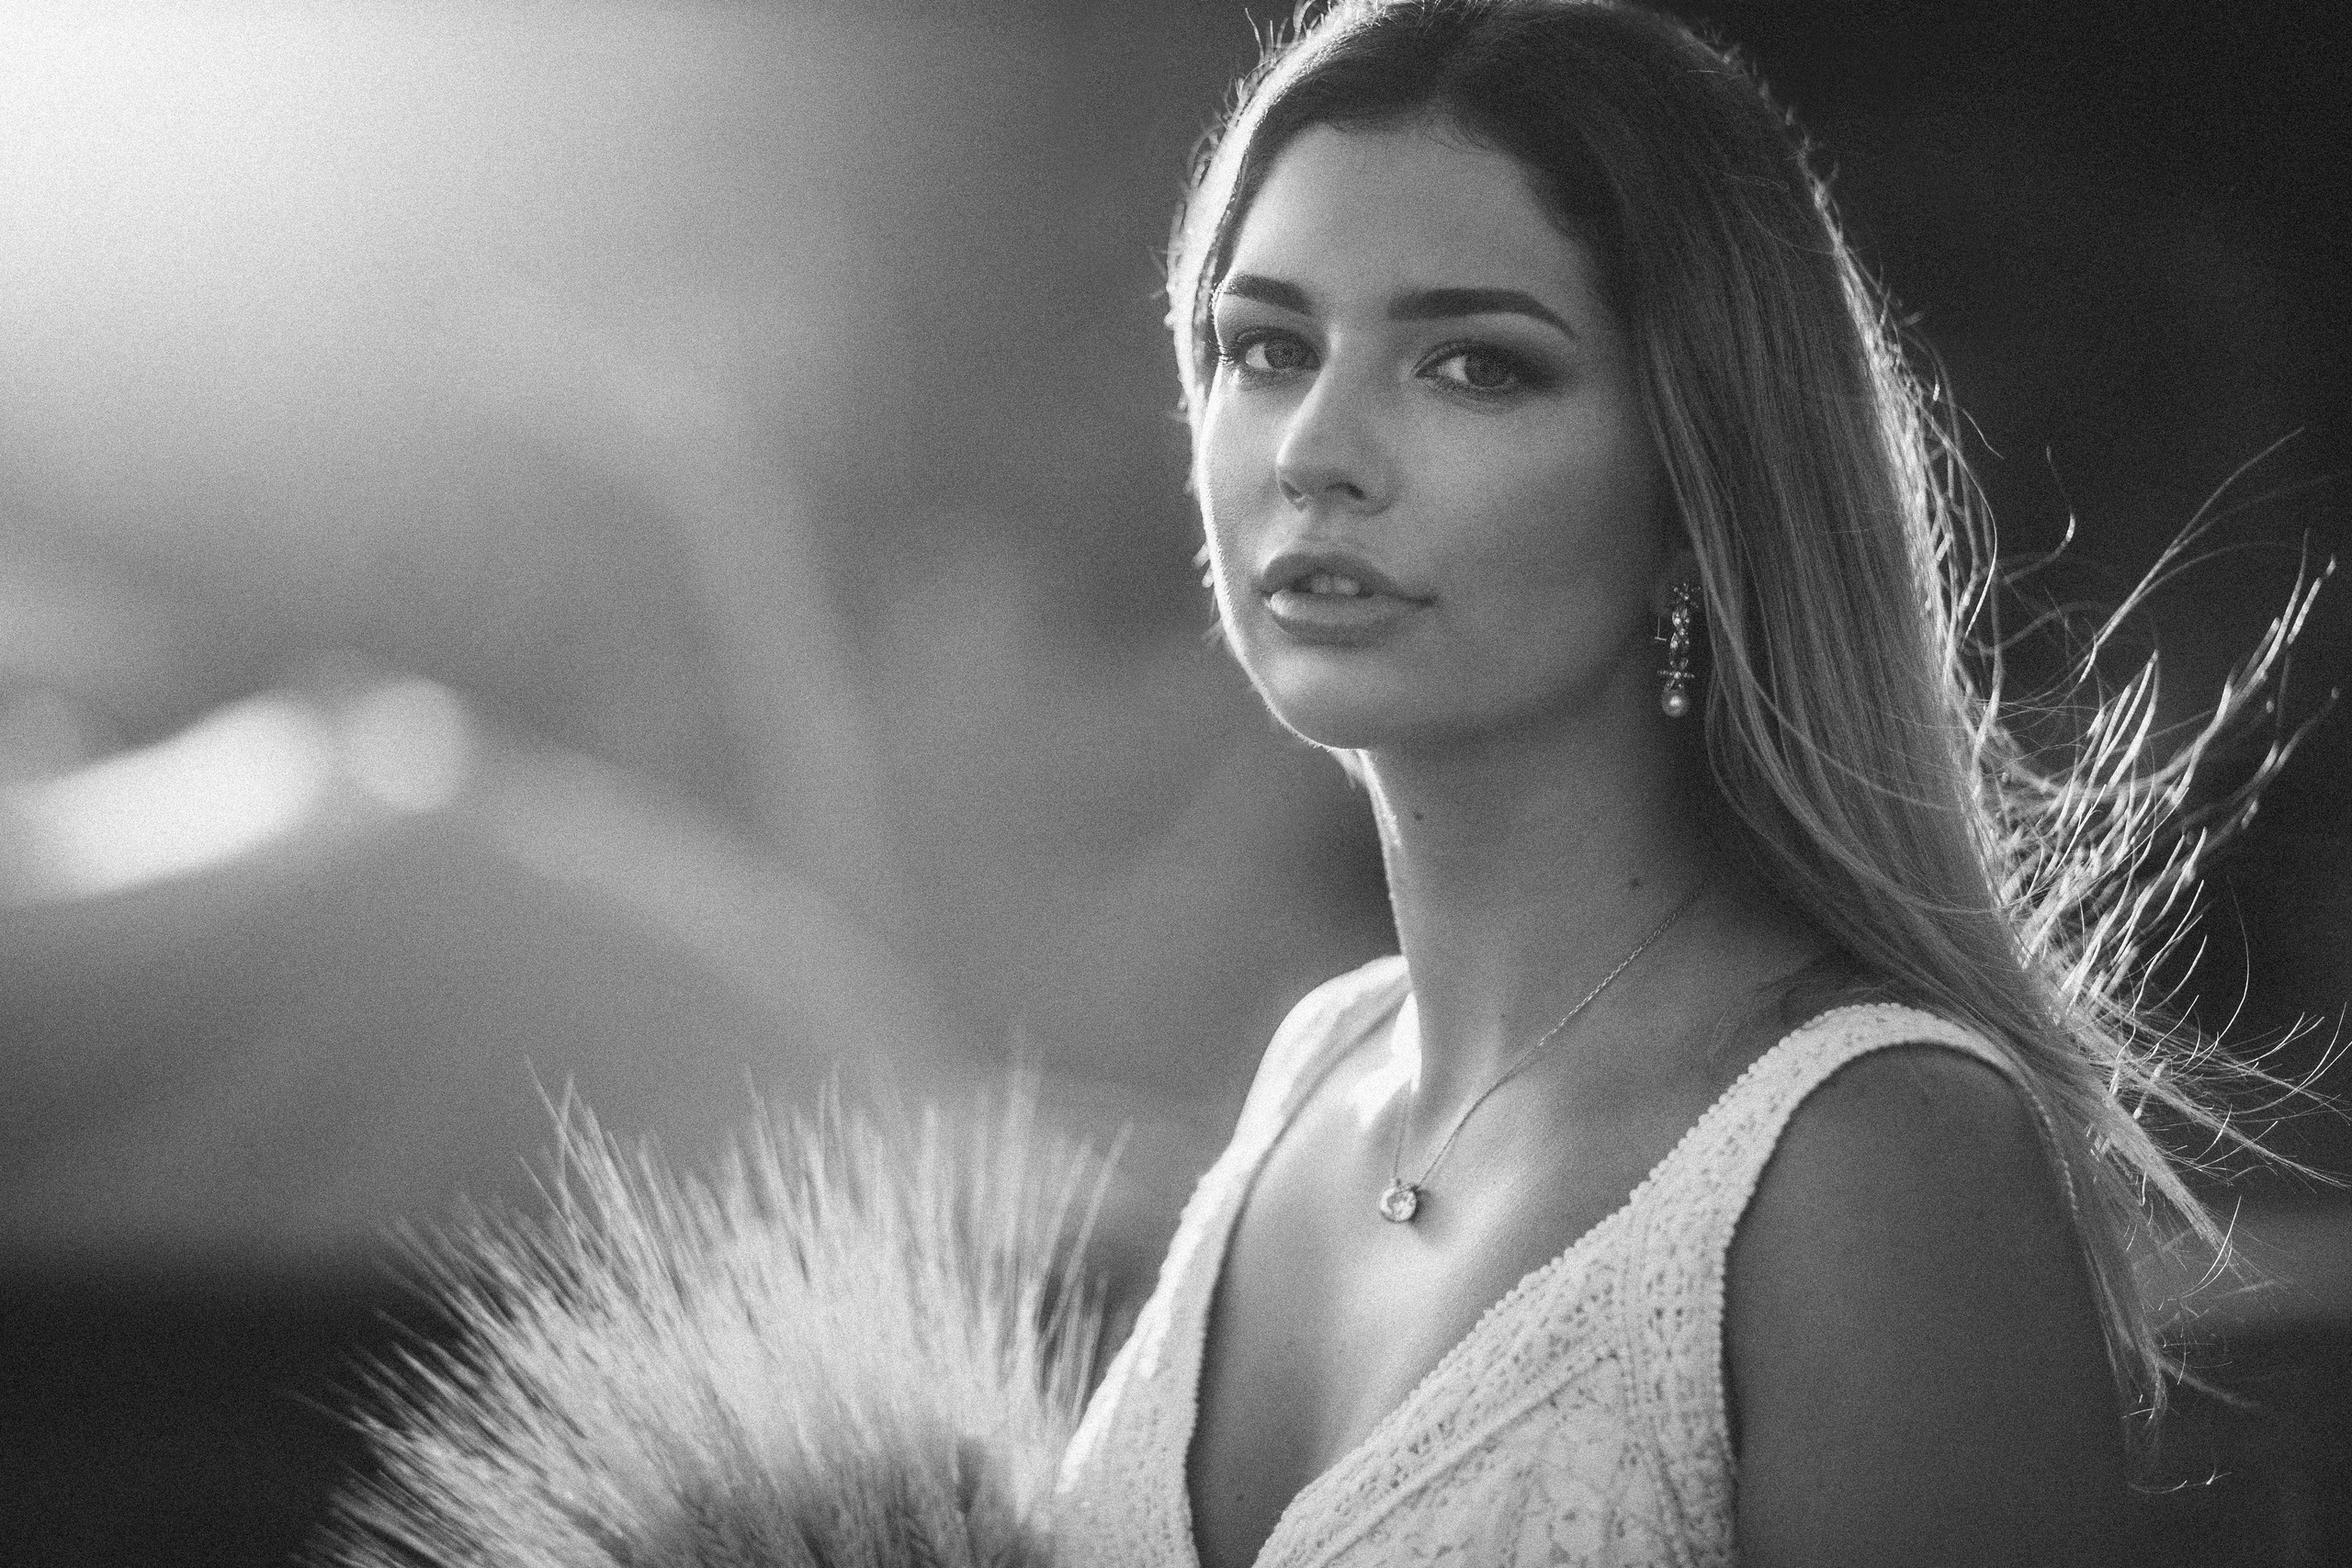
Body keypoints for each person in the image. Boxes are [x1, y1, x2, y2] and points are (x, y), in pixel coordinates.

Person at [1051, 2, 2297, 1563]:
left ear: (1700, 485)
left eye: (1473, 367)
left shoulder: (1873, 1161)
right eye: (1266, 347)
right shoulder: (1316, 1071)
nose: (1318, 446)